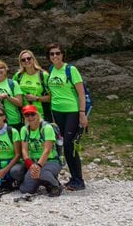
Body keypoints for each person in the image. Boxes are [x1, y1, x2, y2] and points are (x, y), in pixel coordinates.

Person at [47, 42, 88, 191]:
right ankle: (74, 178)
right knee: (64, 143)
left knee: (70, 145)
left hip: (72, 110)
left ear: (62, 54)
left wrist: (82, 114)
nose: (55, 56)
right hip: (57, 111)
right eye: (52, 54)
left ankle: (79, 180)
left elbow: (81, 93)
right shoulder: (51, 70)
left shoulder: (71, 70)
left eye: (57, 53)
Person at [11, 105, 63, 197]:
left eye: (32, 114)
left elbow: (47, 150)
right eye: (27, 115)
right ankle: (40, 181)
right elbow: (24, 149)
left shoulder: (46, 128)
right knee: (26, 190)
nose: (30, 117)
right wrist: (30, 164)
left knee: (43, 172)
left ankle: (55, 185)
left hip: (51, 161)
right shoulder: (24, 130)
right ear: (24, 117)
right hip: (33, 162)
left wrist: (38, 166)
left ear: (38, 115)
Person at [15, 49, 51, 121]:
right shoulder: (18, 76)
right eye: (23, 60)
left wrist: (36, 98)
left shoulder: (43, 75)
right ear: (21, 62)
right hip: (24, 115)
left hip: (41, 114)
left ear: (33, 59)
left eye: (28, 58)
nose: (26, 61)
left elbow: (51, 97)